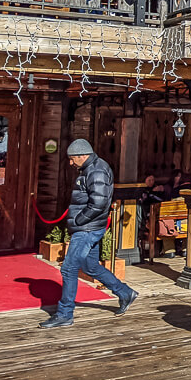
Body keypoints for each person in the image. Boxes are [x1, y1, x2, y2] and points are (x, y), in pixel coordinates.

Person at [39, 140, 138, 329]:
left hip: (87, 229)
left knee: (68, 268)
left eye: (72, 159)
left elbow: (99, 202)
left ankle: (64, 314)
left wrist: (79, 220)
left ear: (82, 155)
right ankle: (125, 293)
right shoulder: (91, 168)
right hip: (91, 227)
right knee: (90, 266)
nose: (70, 163)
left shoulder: (96, 170)